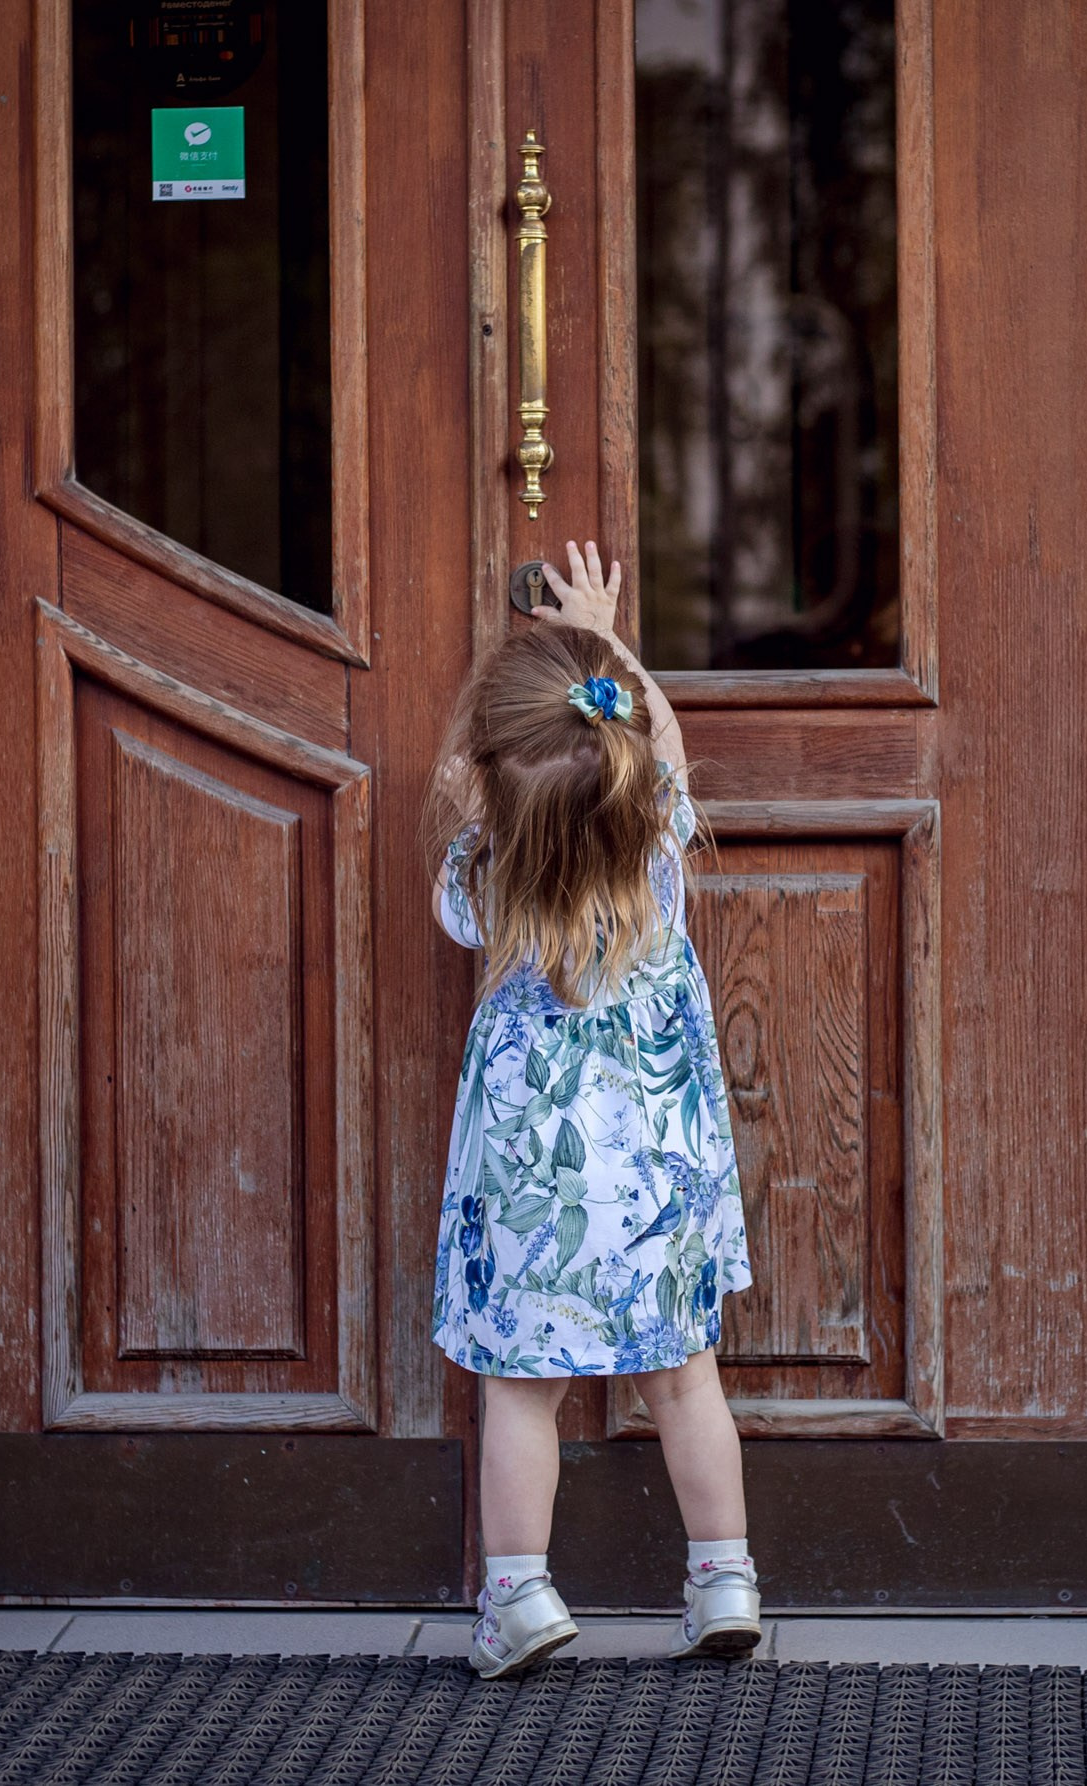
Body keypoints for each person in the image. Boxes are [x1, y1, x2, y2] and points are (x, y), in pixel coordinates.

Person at [426, 540, 759, 1679]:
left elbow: (485, 801)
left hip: (536, 1178)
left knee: (521, 1390)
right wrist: (611, 636)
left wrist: (487, 744)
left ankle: (518, 1596)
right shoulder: (659, 846)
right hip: (657, 1170)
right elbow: (657, 743)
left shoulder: (484, 875)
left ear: (488, 779)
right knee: (683, 1377)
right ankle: (724, 1578)